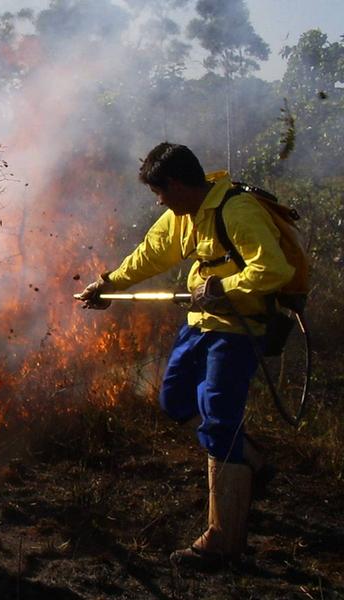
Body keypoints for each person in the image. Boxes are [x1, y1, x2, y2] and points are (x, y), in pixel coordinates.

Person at [78, 142, 294, 569]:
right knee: (174, 398)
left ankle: (223, 542)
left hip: (235, 331)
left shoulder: (237, 210)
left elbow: (273, 269)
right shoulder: (183, 216)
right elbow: (150, 255)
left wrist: (221, 288)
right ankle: (249, 462)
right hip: (199, 324)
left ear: (175, 184)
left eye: (159, 192)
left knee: (218, 417)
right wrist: (107, 284)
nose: (159, 201)